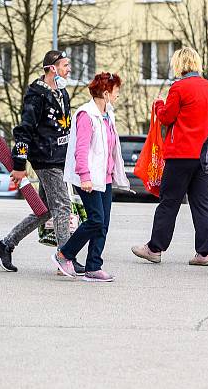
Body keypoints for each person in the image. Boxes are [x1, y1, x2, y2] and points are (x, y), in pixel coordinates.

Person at [0, 50, 85, 275]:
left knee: (44, 211)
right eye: (65, 65)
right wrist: (19, 165)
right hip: (45, 159)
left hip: (59, 159)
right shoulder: (37, 95)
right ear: (52, 68)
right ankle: (65, 257)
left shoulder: (62, 93)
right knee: (62, 206)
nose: (68, 69)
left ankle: (5, 245)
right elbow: (24, 131)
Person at [132, 47, 208, 266]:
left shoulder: (179, 87)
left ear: (179, 64)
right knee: (201, 204)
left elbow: (167, 117)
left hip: (181, 154)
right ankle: (205, 252)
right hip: (205, 156)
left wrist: (159, 105)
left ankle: (155, 248)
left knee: (169, 202)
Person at [53, 73, 129, 282]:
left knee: (103, 223)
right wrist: (85, 176)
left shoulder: (108, 114)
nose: (117, 95)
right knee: (96, 220)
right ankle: (64, 254)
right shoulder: (86, 115)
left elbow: (111, 148)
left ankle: (94, 266)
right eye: (116, 92)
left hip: (103, 178)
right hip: (88, 178)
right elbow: (81, 149)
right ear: (106, 93)